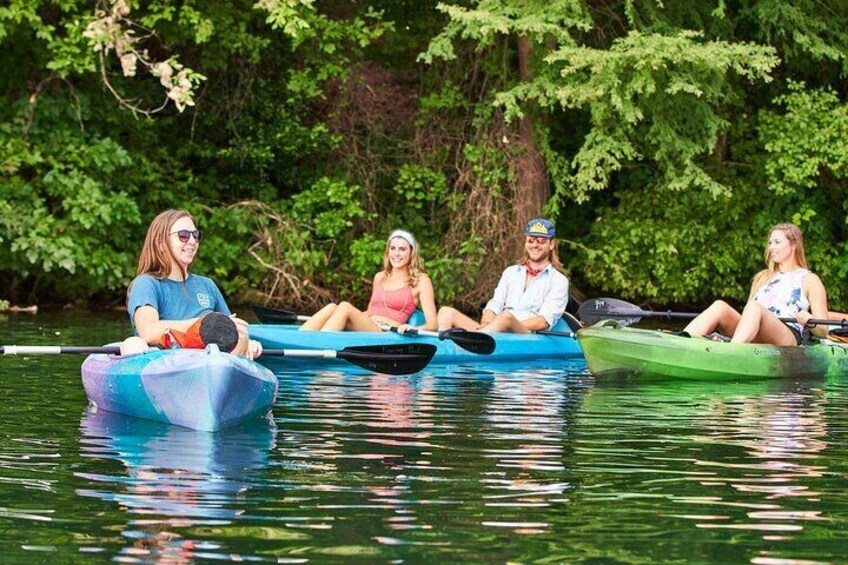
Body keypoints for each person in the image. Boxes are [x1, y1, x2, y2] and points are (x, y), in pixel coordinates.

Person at [120, 209, 262, 358]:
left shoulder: (207, 285)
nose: (192, 241)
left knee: (241, 336)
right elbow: (148, 332)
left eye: (195, 235)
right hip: (163, 364)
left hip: (209, 363)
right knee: (133, 344)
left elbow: (228, 327)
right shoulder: (146, 284)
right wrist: (204, 324)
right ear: (160, 243)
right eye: (183, 235)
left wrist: (247, 342)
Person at [682, 223, 828, 345]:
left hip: (787, 335)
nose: (771, 247)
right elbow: (748, 316)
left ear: (794, 244)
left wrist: (809, 320)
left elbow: (823, 330)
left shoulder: (810, 279)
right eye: (770, 242)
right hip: (755, 332)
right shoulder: (762, 277)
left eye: (777, 242)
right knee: (720, 306)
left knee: (754, 307)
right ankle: (682, 340)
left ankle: (731, 351)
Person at [436, 218, 569, 333]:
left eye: (541, 241)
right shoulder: (510, 272)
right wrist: (489, 316)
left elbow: (543, 322)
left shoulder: (559, 281)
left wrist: (506, 325)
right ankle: (441, 351)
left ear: (551, 244)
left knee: (506, 317)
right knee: (446, 312)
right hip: (495, 330)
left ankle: (478, 338)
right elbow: (495, 304)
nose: (535, 245)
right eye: (531, 240)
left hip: (527, 334)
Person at [299, 230, 438, 332]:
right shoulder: (379, 277)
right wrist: (361, 316)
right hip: (369, 324)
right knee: (332, 307)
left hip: (387, 332)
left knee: (345, 306)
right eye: (393, 248)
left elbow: (433, 325)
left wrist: (412, 328)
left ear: (411, 253)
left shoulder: (421, 281)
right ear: (388, 251)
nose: (396, 254)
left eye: (402, 249)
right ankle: (299, 338)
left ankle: (319, 343)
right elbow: (370, 310)